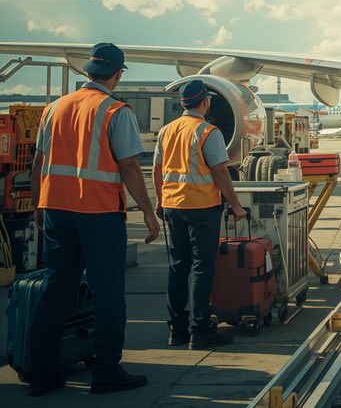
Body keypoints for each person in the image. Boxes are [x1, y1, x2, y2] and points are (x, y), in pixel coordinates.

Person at [27, 42, 160, 396]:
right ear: (117, 75)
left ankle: (41, 371)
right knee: (108, 293)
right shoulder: (115, 110)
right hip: (98, 213)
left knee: (56, 289)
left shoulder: (53, 109)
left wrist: (39, 206)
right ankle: (105, 370)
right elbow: (130, 167)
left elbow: (39, 163)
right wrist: (149, 211)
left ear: (86, 71)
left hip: (55, 208)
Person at [153, 80, 248, 350]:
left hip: (173, 206)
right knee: (201, 268)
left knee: (177, 267)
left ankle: (177, 329)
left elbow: (156, 171)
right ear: (204, 102)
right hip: (202, 208)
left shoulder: (167, 130)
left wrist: (161, 200)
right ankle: (200, 329)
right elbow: (220, 171)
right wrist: (236, 205)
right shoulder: (207, 131)